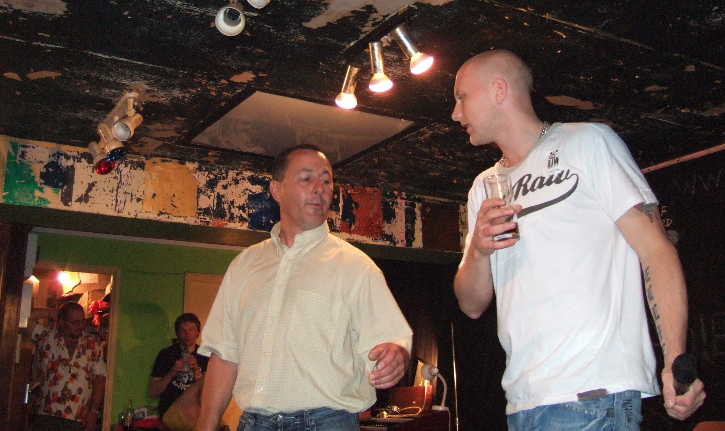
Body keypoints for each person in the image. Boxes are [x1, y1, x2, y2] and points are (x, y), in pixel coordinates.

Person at [451, 49, 706, 430]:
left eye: (461, 97)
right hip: (524, 401)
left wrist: (675, 359)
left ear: (499, 90)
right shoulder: (482, 190)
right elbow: (470, 304)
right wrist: (479, 250)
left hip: (594, 392)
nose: (455, 114)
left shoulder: (588, 143)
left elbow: (655, 248)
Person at [196, 144, 413, 431]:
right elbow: (225, 355)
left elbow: (393, 341)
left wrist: (396, 355)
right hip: (252, 424)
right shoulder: (244, 265)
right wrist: (206, 425)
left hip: (326, 423)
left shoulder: (355, 267)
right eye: (307, 178)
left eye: (326, 180)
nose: (319, 188)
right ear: (276, 190)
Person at [29, 301, 106, 431]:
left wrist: (93, 411)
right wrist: (49, 312)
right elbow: (23, 315)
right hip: (47, 414)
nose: (80, 326)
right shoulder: (47, 337)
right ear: (62, 322)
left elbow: (100, 378)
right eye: (75, 322)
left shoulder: (93, 345)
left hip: (77, 417)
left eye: (82, 321)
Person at [151, 313, 209, 424]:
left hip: (196, 414)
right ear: (178, 333)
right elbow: (153, 392)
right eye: (183, 331)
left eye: (191, 330)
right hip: (171, 412)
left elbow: (210, 395)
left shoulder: (205, 356)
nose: (187, 335)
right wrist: (172, 372)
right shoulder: (166, 354)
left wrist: (197, 372)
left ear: (198, 332)